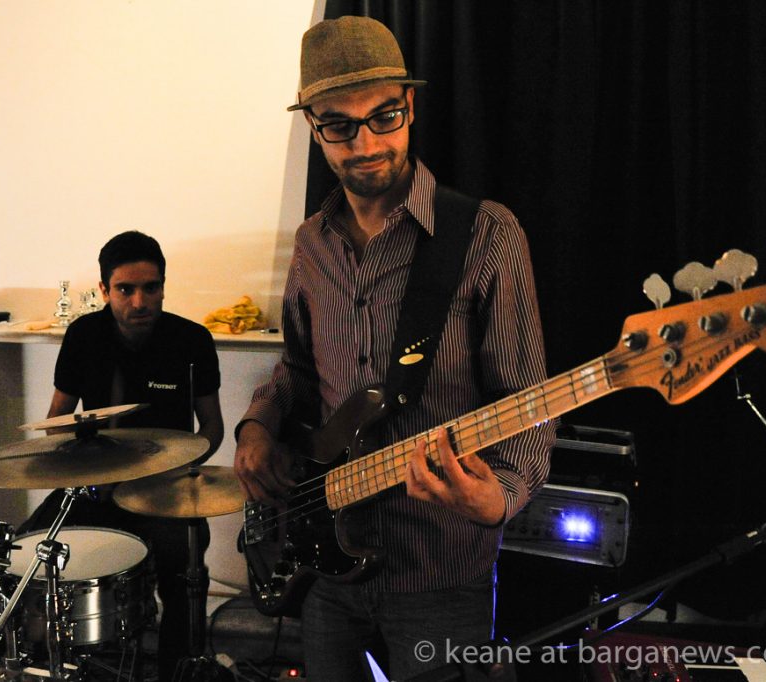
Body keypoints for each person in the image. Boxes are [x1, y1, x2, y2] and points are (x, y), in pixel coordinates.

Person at [233, 16, 555, 681]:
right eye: (339, 125)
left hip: (440, 569)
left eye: (384, 116)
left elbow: (526, 401)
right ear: (314, 127)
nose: (366, 143)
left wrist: (499, 497)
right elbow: (297, 370)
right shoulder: (311, 245)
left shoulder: (487, 235)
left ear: (410, 105)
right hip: (324, 564)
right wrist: (258, 424)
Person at [23, 230, 224, 681]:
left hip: (166, 491)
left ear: (164, 286)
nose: (140, 301)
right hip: (97, 487)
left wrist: (181, 465)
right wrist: (79, 457)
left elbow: (212, 426)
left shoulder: (192, 339)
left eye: (151, 288)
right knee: (30, 554)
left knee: (184, 572)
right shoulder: (83, 335)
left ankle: (176, 669)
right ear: (103, 289)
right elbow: (56, 419)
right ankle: (54, 664)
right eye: (125, 289)